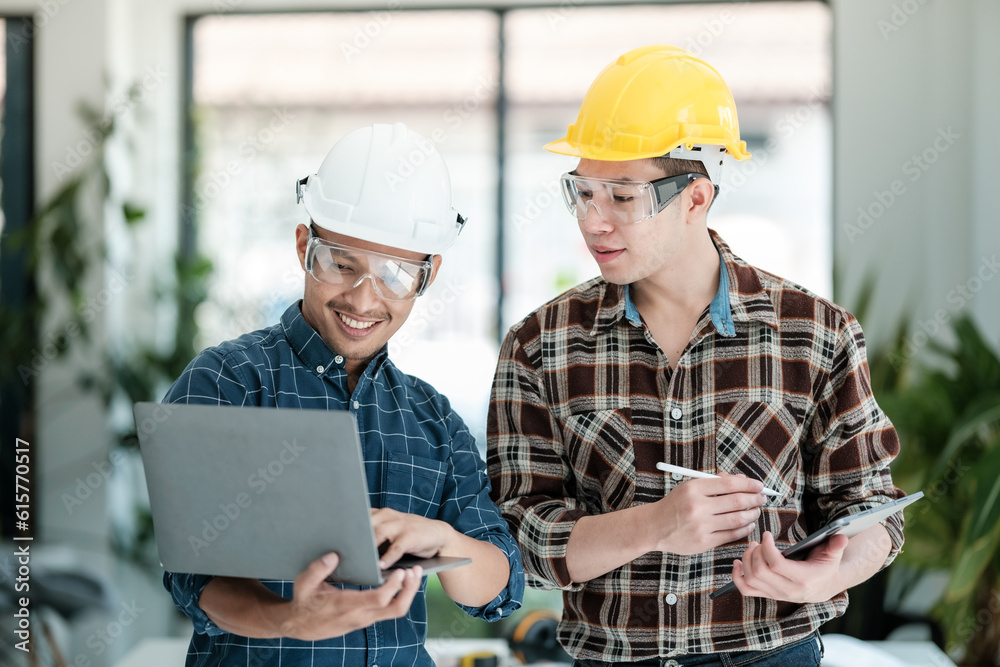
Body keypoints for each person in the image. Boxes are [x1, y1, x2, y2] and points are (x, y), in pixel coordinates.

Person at [487, 45, 905, 666]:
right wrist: (655, 525)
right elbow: (517, 541)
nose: (593, 221)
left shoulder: (816, 334)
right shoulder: (540, 346)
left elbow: (871, 508)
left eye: (622, 197)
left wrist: (827, 576)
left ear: (695, 199)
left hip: (771, 655)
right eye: (583, 192)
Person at [162, 122, 523, 666]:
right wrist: (290, 620)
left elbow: (500, 589)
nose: (363, 298)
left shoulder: (433, 420)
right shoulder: (227, 383)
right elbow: (194, 579)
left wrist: (442, 539)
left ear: (427, 277)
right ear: (306, 246)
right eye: (341, 264)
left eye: (396, 276)